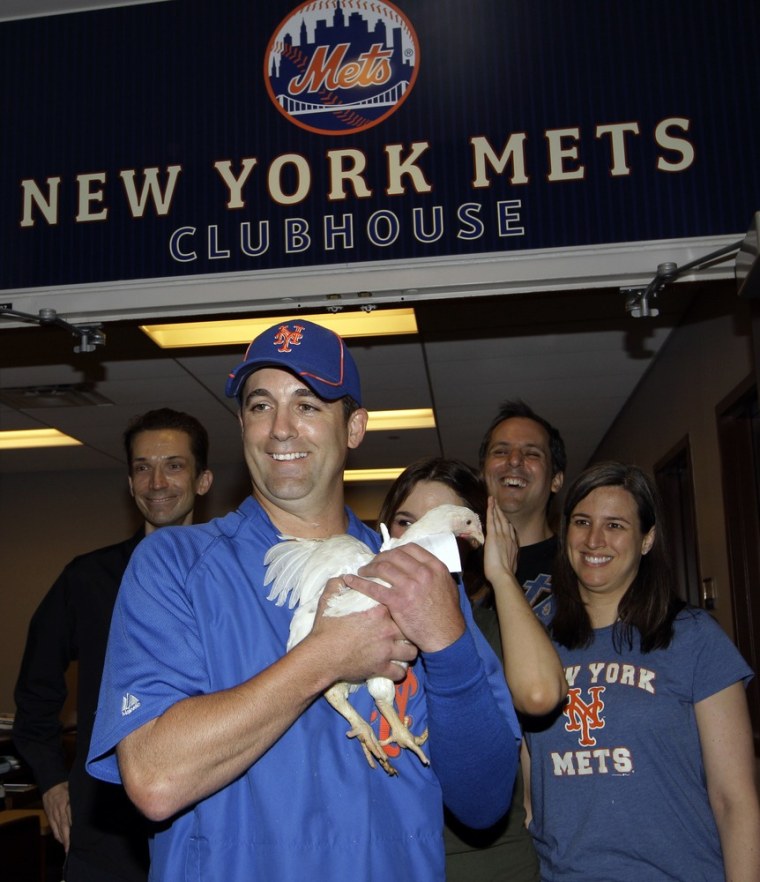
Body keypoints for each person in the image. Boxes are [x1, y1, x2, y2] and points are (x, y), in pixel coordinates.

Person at [86, 320, 521, 882]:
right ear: (242, 423)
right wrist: (324, 657)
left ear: (355, 427)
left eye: (309, 405)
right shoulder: (175, 566)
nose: (281, 429)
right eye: (261, 406)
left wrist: (449, 643)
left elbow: (484, 802)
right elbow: (153, 778)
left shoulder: (417, 578)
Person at [522, 461, 760, 881]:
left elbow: (734, 800)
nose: (595, 539)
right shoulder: (536, 644)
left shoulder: (693, 638)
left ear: (647, 539)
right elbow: (529, 772)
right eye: (582, 522)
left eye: (615, 525)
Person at [13, 408, 214, 882]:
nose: (156, 481)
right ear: (129, 483)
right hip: (108, 830)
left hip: (211, 816)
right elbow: (35, 692)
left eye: (174, 465)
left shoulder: (235, 581)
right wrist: (52, 782)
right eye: (142, 467)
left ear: (203, 480)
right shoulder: (87, 579)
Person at [378, 457, 566, 882]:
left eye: (437, 524)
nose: (417, 537)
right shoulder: (361, 623)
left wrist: (501, 576)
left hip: (488, 866)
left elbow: (540, 695)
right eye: (406, 520)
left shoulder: (492, 626)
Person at [479, 400, 567, 622]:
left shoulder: (578, 565)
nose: (515, 460)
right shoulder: (457, 566)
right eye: (500, 451)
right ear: (483, 475)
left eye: (532, 454)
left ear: (556, 480)